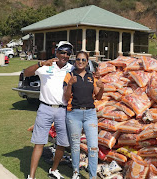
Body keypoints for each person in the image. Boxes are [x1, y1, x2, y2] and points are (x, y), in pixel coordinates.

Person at [25, 41, 74, 179]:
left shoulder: (71, 68)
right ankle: (32, 176)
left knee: (62, 143)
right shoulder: (46, 66)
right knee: (39, 142)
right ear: (56, 52)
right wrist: (40, 64)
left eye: (68, 53)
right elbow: (27, 73)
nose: (65, 55)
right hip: (45, 108)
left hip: (63, 110)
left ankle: (53, 169)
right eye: (62, 52)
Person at [63, 51, 104, 179]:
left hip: (90, 114)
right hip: (74, 114)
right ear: (75, 61)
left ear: (87, 62)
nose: (80, 62)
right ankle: (75, 172)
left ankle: (92, 176)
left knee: (93, 147)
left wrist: (102, 87)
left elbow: (98, 96)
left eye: (83, 60)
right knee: (75, 145)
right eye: (78, 60)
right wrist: (70, 84)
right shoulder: (69, 76)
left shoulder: (92, 77)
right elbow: (66, 97)